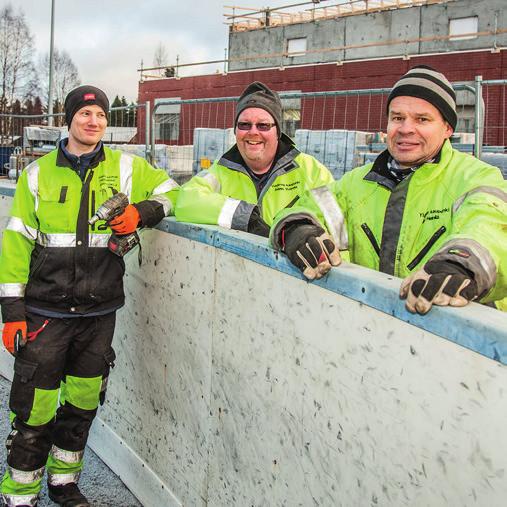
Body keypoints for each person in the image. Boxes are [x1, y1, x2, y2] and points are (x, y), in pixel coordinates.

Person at [0, 85, 179, 507]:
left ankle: (63, 483)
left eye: (100, 114)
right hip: (45, 312)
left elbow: (175, 191)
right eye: (85, 114)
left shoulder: (127, 168)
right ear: (69, 120)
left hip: (99, 312)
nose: (94, 121)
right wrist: (12, 311)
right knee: (33, 409)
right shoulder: (37, 174)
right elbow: (16, 244)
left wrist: (143, 213)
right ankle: (20, 493)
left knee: (82, 403)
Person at [271, 66, 507, 314]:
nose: (406, 129)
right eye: (397, 118)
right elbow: (304, 208)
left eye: (422, 119)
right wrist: (297, 228)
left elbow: (491, 225)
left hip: (458, 338)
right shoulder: (358, 182)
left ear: (448, 128)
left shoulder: (474, 178)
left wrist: (462, 263)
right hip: (375, 329)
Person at [175, 81, 334, 236]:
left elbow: (335, 228)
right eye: (244, 124)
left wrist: (299, 233)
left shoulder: (312, 171)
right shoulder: (221, 170)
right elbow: (186, 200)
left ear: (278, 132)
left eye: (263, 125)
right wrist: (245, 217)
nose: (253, 132)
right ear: (235, 131)